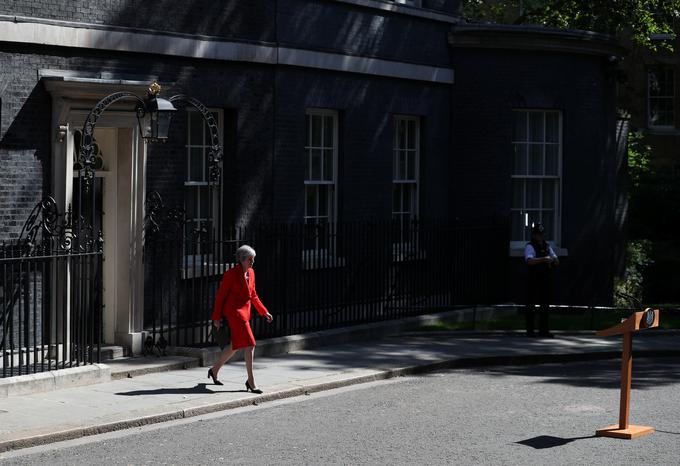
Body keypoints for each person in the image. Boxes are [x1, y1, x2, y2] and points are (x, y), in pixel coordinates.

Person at [208, 245, 273, 393]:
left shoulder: (251, 272)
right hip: (235, 313)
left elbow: (253, 295)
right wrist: (216, 317)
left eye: (253, 259)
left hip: (245, 311)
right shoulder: (230, 274)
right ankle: (250, 381)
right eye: (250, 259)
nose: (252, 262)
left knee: (235, 346)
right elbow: (221, 297)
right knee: (250, 344)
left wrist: (264, 312)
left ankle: (214, 370)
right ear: (242, 260)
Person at [524, 222, 559, 337]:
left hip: (545, 279)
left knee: (545, 305)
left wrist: (552, 261)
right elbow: (529, 261)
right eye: (539, 234)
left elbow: (556, 260)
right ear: (534, 235)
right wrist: (544, 259)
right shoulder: (530, 246)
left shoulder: (547, 246)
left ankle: (544, 330)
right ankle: (530, 331)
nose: (541, 236)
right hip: (534, 279)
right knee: (531, 305)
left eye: (542, 234)